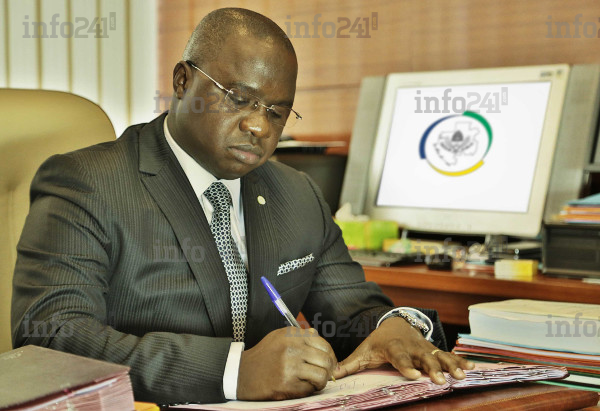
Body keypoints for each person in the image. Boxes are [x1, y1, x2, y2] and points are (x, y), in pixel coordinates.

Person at [11, 8, 472, 404]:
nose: (258, 126)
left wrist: (393, 326)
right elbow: (51, 335)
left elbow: (351, 310)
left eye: (276, 112)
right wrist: (233, 372)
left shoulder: (297, 193)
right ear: (182, 80)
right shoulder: (88, 183)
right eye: (239, 98)